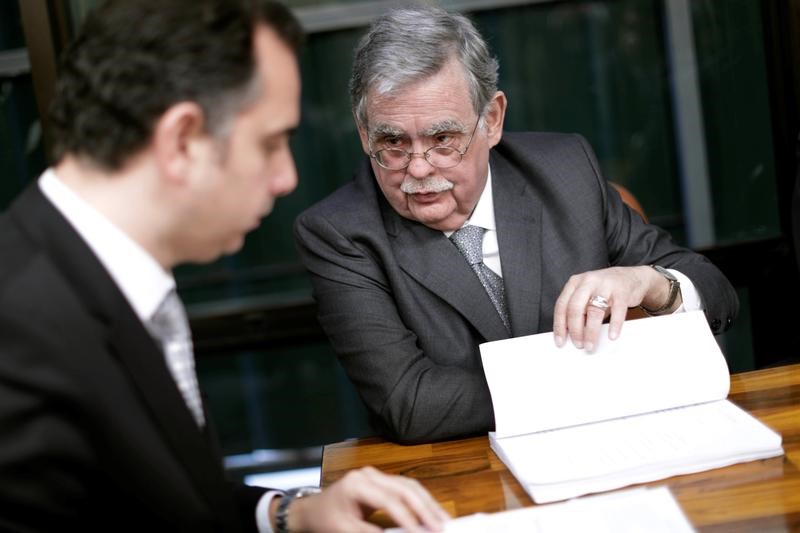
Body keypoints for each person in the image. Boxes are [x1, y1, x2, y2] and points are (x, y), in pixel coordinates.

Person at [0, 1, 449, 531]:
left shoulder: (106, 277)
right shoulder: (18, 337)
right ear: (182, 140)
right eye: (271, 143)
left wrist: (288, 513)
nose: (286, 178)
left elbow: (158, 503)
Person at [294, 6, 739, 444]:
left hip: (617, 446)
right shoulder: (339, 233)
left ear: (491, 120)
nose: (418, 168)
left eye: (443, 139)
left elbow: (718, 296)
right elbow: (410, 404)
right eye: (392, 142)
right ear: (363, 132)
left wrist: (651, 282)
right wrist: (603, 379)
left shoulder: (566, 171)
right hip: (461, 482)